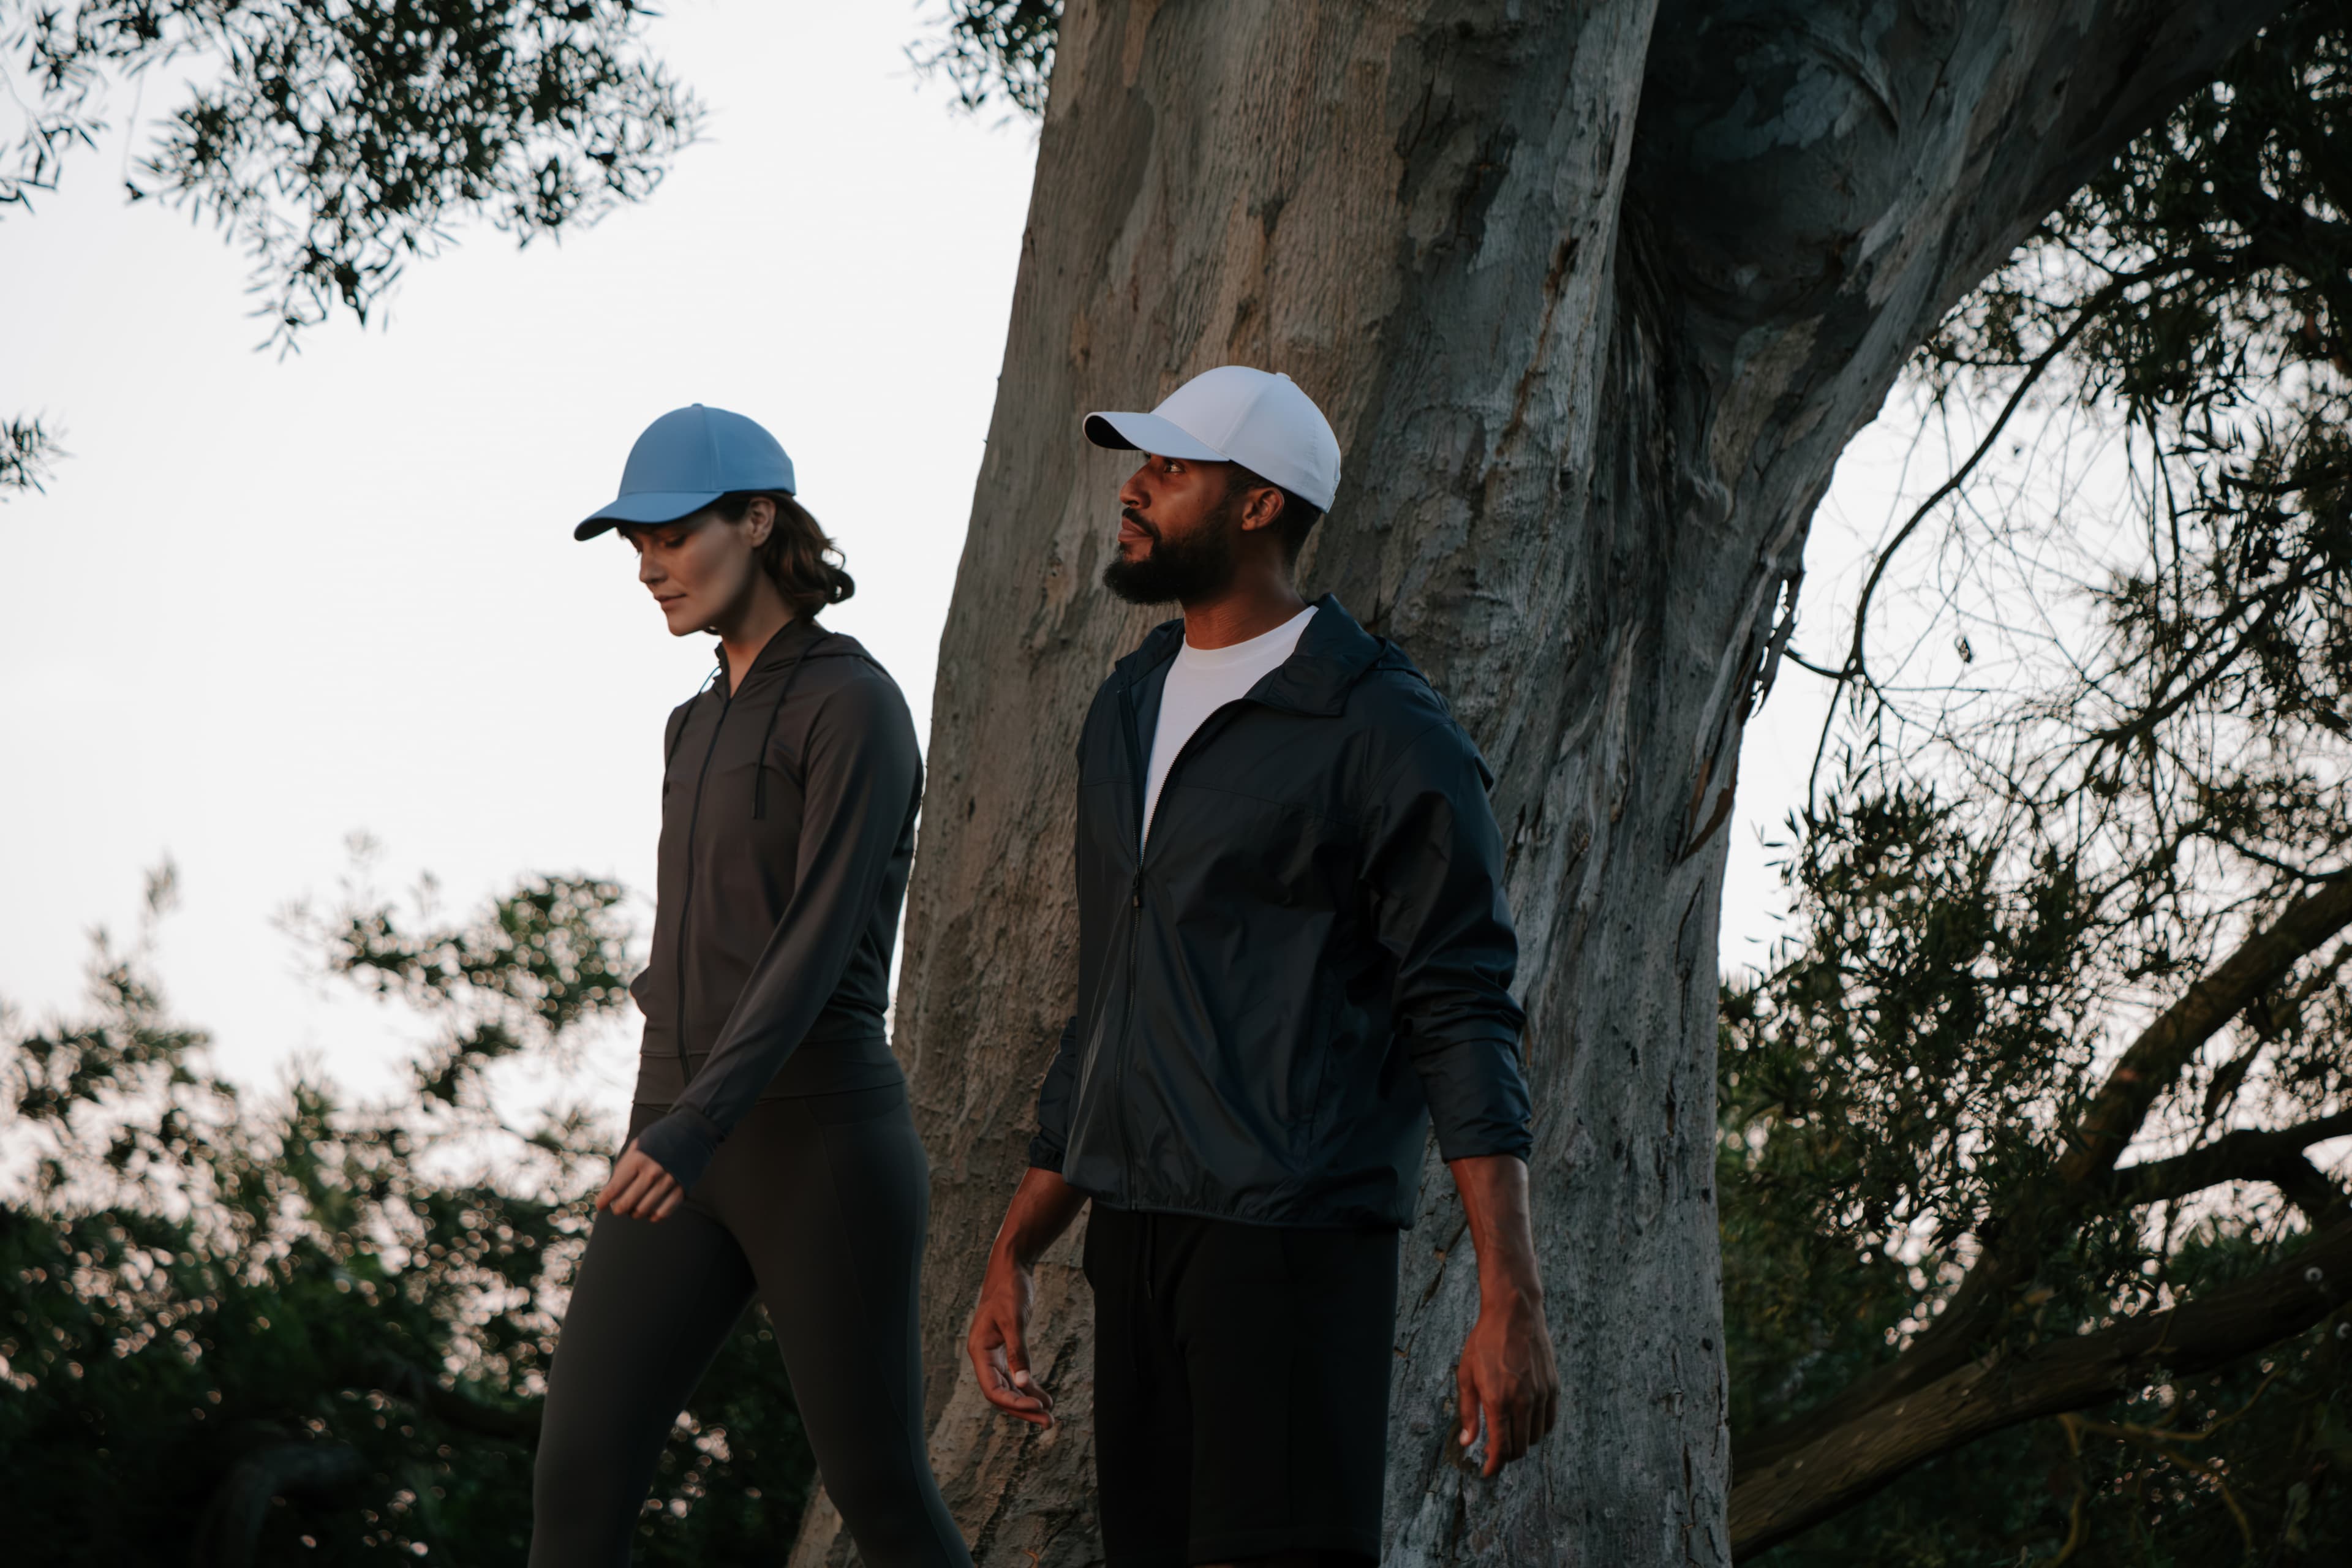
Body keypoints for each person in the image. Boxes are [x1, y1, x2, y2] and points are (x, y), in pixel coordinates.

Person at [965, 367, 1560, 1567]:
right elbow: (1118, 996)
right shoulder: (1127, 705)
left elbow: (1461, 1007)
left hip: (1289, 1247)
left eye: (1169, 468)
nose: (1132, 487)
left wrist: (1513, 1293)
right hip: (1133, 1234)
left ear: (1255, 506)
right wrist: (1019, 1241)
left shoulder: (1383, 727)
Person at [530, 404, 970, 1567]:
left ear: (758, 520)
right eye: (634, 546)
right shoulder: (690, 724)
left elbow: (815, 942)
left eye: (669, 536)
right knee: (575, 1485)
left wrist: (696, 1120)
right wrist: (665, 1038)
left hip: (813, 1136)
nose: (648, 569)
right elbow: (711, 922)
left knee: (877, 1487)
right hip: (674, 1126)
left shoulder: (852, 704)